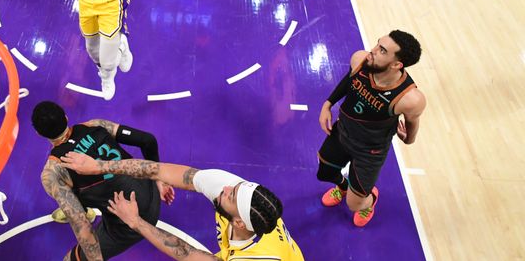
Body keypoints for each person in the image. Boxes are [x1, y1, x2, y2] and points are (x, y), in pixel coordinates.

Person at [61, 154, 304, 260]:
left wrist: (135, 222)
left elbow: (186, 254)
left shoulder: (253, 259)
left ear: (238, 222)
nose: (227, 188)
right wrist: (100, 166)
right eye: (236, 187)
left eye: (231, 196)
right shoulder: (234, 194)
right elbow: (158, 169)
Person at [32, 100, 174, 261]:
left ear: (39, 133)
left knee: (70, 258)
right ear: (65, 117)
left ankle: (80, 208)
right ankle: (83, 207)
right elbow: (148, 140)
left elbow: (82, 226)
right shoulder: (95, 125)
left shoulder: (52, 172)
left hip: (131, 223)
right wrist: (159, 181)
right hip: (152, 191)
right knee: (83, 187)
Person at [316, 30, 426, 227]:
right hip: (342, 133)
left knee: (354, 204)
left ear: (397, 64)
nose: (373, 51)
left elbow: (412, 122)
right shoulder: (360, 60)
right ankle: (343, 187)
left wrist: (409, 138)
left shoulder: (410, 98)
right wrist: (328, 103)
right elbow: (350, 79)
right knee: (324, 173)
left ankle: (369, 200)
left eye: (382, 50)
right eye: (377, 44)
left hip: (370, 151)